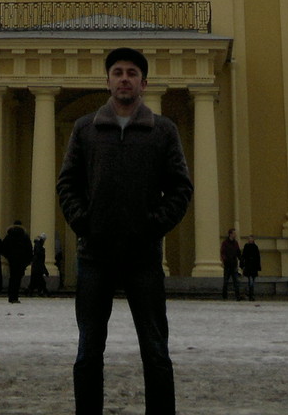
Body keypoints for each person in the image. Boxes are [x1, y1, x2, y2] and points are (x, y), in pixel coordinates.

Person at [57, 43, 193, 415]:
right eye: (118, 72)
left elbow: (181, 188)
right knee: (88, 351)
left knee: (155, 351)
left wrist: (152, 227)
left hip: (143, 257)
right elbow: (67, 183)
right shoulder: (86, 129)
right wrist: (85, 223)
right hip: (95, 255)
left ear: (144, 83)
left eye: (132, 73)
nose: (124, 79)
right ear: (107, 81)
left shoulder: (162, 130)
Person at [3, 219, 33, 304]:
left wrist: (8, 257)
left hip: (12, 261)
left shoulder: (9, 235)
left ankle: (10, 296)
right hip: (21, 261)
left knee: (12, 278)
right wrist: (28, 260)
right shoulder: (24, 236)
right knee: (17, 279)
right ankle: (15, 297)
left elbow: (3, 248)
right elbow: (29, 249)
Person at [219, 228, 240, 299]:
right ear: (230, 234)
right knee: (225, 282)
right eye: (234, 233)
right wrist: (225, 260)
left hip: (234, 264)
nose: (235, 235)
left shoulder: (235, 243)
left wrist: (241, 260)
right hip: (227, 265)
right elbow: (222, 252)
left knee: (236, 282)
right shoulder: (225, 243)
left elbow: (238, 252)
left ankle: (237, 296)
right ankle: (224, 296)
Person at [239, 235, 261, 302]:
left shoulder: (255, 247)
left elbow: (258, 258)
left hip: (254, 267)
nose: (250, 240)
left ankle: (249, 293)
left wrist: (258, 267)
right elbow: (243, 256)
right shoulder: (246, 246)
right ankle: (251, 294)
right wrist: (242, 265)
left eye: (251, 239)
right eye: (249, 239)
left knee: (252, 281)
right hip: (249, 267)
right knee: (251, 281)